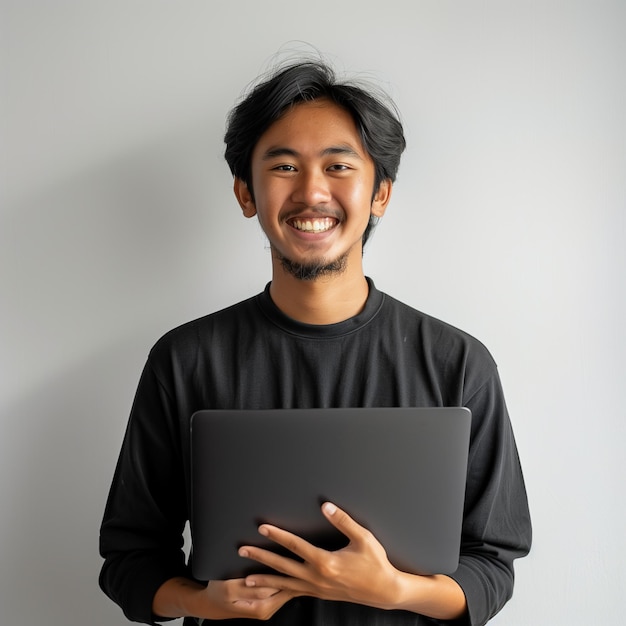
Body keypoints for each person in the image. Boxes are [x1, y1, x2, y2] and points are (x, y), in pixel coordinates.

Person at [99, 59, 532, 626]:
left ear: (380, 193)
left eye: (338, 165)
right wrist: (201, 602)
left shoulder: (456, 363)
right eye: (283, 166)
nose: (311, 191)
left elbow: (493, 565)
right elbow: (129, 560)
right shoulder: (184, 360)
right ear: (245, 192)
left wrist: (396, 590)